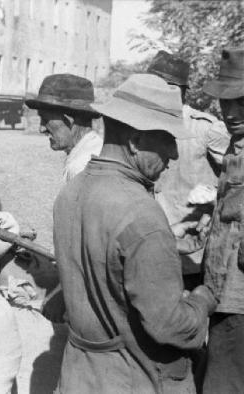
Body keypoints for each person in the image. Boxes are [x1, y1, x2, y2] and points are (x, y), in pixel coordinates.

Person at [53, 74, 217, 393]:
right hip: (134, 378)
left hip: (79, 374)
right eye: (168, 140)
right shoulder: (142, 214)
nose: (173, 155)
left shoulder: (70, 192)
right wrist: (201, 302)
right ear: (135, 141)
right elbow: (169, 326)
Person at [148, 50, 230, 285]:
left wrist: (213, 198)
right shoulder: (141, 127)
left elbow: (237, 175)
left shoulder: (206, 129)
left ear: (177, 91)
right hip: (151, 249)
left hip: (192, 254)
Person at [200, 47, 244, 393]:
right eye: (225, 102)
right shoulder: (235, 147)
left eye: (241, 102)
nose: (230, 112)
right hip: (222, 290)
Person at [25, 74, 103, 182]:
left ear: (69, 120)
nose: (41, 129)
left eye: (46, 119)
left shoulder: (81, 166)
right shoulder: (95, 149)